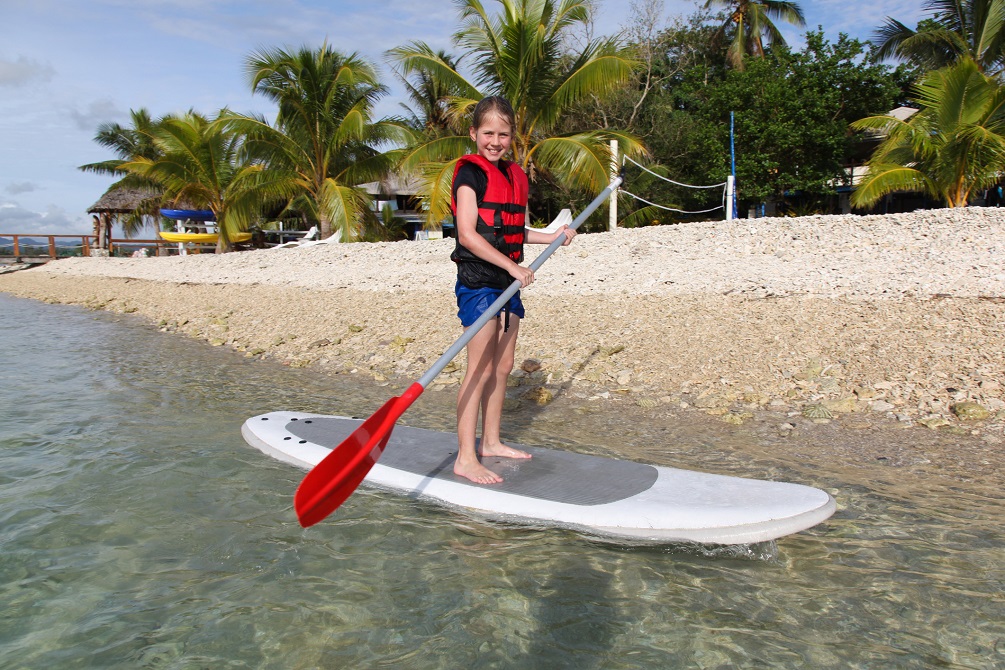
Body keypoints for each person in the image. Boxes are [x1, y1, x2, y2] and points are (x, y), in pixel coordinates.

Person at [450, 96, 575, 484]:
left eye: (503, 134)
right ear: (473, 134)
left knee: (502, 367)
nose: (495, 141)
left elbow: (509, 230)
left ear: (511, 138)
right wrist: (512, 266)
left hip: (508, 280)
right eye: (488, 133)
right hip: (479, 281)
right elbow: (469, 234)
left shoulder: (513, 176)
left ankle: (490, 442)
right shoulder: (469, 175)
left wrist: (550, 237)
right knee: (480, 368)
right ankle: (465, 457)